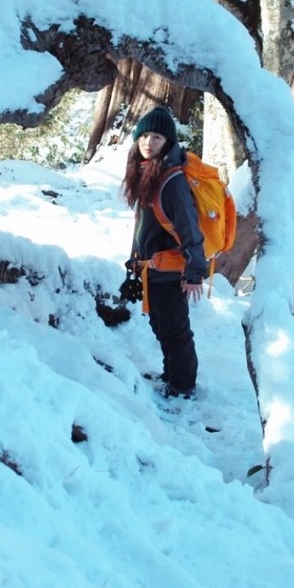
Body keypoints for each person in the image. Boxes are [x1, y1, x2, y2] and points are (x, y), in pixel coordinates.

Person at [122, 106, 207, 399]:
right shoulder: (147, 172)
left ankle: (183, 387)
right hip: (153, 268)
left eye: (156, 137)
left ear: (168, 142)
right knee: (161, 325)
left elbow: (189, 230)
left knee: (175, 330)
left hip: (172, 269)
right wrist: (135, 262)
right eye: (144, 135)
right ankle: (172, 375)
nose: (148, 142)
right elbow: (144, 226)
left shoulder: (172, 182)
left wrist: (195, 272)